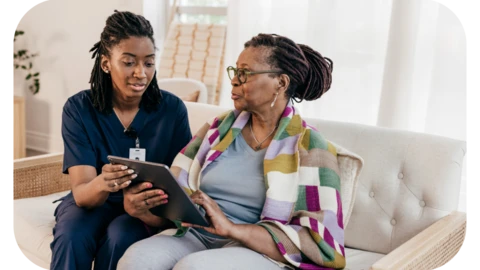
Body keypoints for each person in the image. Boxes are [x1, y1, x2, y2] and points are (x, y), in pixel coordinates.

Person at [117, 32, 346, 270]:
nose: (234, 80)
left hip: (258, 248)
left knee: (193, 268)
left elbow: (319, 241)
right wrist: (143, 211)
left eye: (245, 73)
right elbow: (179, 202)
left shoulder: (310, 146)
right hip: (198, 233)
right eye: (234, 71)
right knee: (136, 259)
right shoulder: (218, 128)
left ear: (281, 82)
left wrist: (232, 228)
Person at [49, 10, 192, 270]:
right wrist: (105, 182)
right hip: (94, 199)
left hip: (142, 208)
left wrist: (147, 209)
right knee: (72, 235)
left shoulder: (172, 110)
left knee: (120, 236)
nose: (141, 73)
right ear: (106, 63)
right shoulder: (79, 109)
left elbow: (183, 184)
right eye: (129, 62)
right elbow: (83, 195)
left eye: (148, 63)